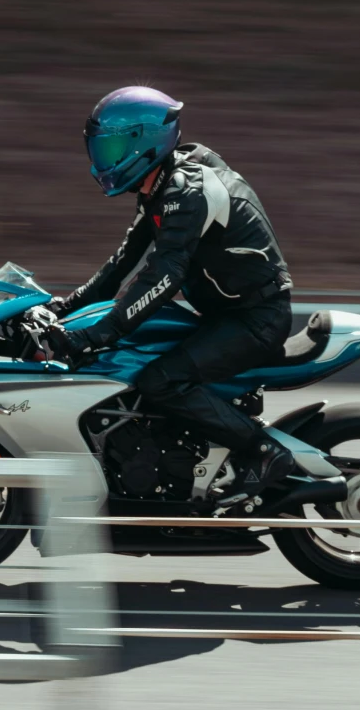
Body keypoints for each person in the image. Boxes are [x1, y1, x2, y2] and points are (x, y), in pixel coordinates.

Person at [40, 86, 299, 506]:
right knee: (130, 354)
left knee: (160, 380)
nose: (103, 158)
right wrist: (62, 310)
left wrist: (95, 336)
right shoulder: (159, 186)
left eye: (115, 145)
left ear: (145, 142)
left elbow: (165, 273)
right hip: (222, 313)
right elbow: (120, 266)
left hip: (255, 319)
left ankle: (265, 453)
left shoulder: (187, 190)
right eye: (101, 148)